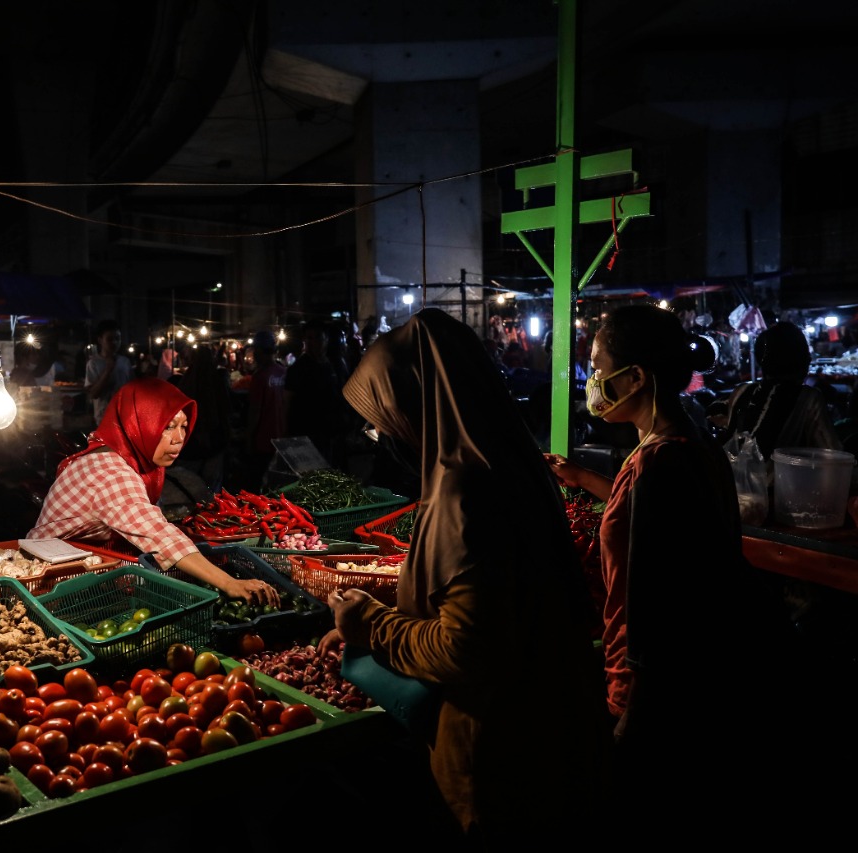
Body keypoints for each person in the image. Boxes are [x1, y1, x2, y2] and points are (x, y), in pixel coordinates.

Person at [320, 308, 608, 848]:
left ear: (412, 402)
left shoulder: (464, 491)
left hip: (501, 761)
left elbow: (464, 648)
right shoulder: (514, 463)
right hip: (554, 736)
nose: (381, 432)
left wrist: (371, 625)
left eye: (380, 415)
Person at [544, 304, 806, 846]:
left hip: (654, 689)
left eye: (598, 366)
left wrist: (628, 717)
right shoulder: (683, 441)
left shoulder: (660, 466)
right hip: (694, 676)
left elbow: (653, 608)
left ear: (636, 377)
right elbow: (637, 510)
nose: (593, 381)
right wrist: (581, 477)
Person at [28, 377, 277, 605]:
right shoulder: (110, 472)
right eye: (167, 426)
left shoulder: (124, 455)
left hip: (80, 568)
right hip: (46, 585)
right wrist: (228, 582)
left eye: (184, 426)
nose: (179, 438)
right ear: (137, 423)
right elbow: (158, 534)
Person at [718, 321, 842, 457]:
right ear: (800, 360)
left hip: (732, 476)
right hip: (781, 478)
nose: (809, 359)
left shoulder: (741, 391)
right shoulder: (808, 398)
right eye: (806, 353)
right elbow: (833, 455)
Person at [285, 318, 349, 467]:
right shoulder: (298, 369)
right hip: (306, 436)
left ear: (326, 339)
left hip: (330, 434)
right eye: (309, 338)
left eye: (318, 337)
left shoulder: (332, 365)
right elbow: (286, 403)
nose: (313, 342)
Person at [172, 343, 231, 492]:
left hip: (191, 447)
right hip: (213, 444)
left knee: (189, 489)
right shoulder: (217, 380)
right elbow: (224, 412)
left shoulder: (185, 382)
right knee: (211, 491)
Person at [238, 330, 287, 491]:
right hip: (282, 438)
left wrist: (248, 439)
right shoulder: (283, 371)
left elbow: (255, 412)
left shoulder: (260, 377)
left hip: (263, 440)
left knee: (258, 484)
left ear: (259, 351)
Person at [85, 319, 134, 425]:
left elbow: (132, 388)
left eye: (117, 338)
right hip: (104, 418)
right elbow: (93, 394)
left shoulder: (125, 362)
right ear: (100, 340)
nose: (115, 342)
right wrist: (108, 370)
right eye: (110, 339)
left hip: (124, 416)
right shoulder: (93, 363)